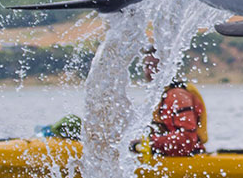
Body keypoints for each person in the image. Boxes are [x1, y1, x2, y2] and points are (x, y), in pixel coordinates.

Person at [39, 48, 208, 157]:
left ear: (168, 67)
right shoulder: (161, 94)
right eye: (147, 66)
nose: (150, 71)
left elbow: (187, 139)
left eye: (156, 66)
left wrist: (148, 144)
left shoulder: (178, 95)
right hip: (156, 150)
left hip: (183, 157)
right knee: (74, 124)